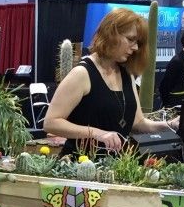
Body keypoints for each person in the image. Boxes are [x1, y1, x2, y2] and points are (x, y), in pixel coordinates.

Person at [44, 8, 176, 155]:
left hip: (116, 166)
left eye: (138, 42)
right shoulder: (82, 74)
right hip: (81, 164)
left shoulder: (126, 74)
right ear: (111, 34)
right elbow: (51, 122)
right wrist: (96, 133)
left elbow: (138, 123)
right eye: (131, 39)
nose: (136, 47)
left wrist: (170, 125)